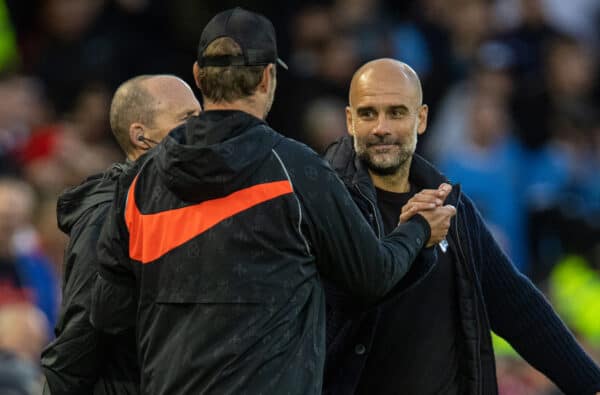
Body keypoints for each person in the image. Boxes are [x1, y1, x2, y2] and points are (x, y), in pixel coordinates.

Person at [89, 8, 456, 395]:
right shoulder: (294, 169)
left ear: (198, 77)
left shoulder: (139, 183)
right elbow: (374, 276)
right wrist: (418, 229)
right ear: (268, 77)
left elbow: (108, 313)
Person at [322, 58, 600, 395]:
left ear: (421, 118)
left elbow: (516, 305)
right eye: (368, 113)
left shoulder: (450, 206)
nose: (382, 127)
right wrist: (415, 236)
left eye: (397, 112)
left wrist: (590, 384)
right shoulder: (324, 206)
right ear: (350, 121)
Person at [40, 74, 202, 395]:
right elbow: (80, 335)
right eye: (188, 119)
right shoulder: (107, 214)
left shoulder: (190, 203)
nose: (204, 128)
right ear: (141, 136)